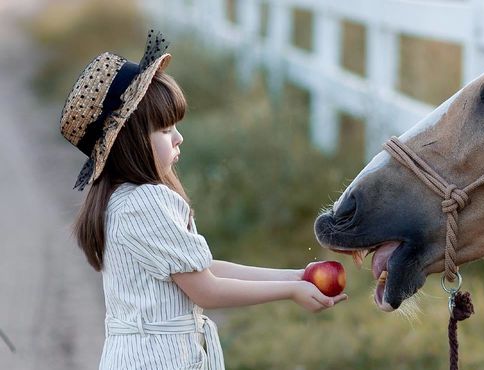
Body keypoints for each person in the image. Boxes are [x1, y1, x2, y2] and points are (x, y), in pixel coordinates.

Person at [59, 30, 346, 370]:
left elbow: (202, 270)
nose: (179, 138)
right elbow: (206, 290)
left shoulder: (118, 199)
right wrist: (289, 292)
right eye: (165, 130)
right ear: (128, 140)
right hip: (159, 361)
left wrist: (294, 277)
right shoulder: (146, 201)